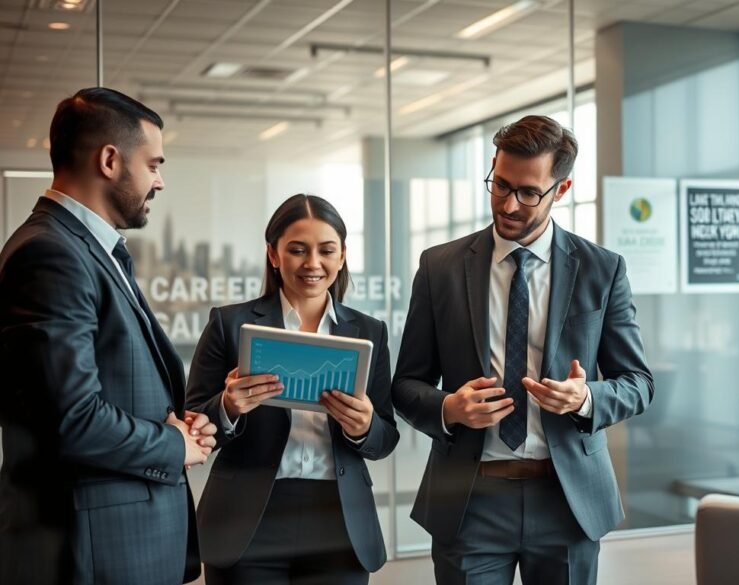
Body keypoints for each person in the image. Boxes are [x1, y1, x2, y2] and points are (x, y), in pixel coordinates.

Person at [392, 115, 654, 584]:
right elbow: (407, 385)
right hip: (469, 501)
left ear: (563, 187)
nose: (509, 204)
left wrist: (586, 398)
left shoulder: (602, 270)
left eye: (528, 193)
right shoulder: (440, 268)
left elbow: (638, 384)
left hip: (567, 498)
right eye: (500, 185)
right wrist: (449, 408)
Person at [0, 87, 215, 585]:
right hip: (93, 549)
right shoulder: (51, 254)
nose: (159, 181)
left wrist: (182, 426)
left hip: (119, 540)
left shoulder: (84, 249)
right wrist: (171, 443)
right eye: (154, 164)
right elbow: (71, 420)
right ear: (111, 160)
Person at [185, 193, 399, 585]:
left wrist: (364, 426)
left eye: (326, 250)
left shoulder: (369, 332)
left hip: (338, 519)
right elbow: (193, 423)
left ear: (343, 255)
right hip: (247, 517)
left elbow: (385, 439)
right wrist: (229, 407)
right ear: (273, 254)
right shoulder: (228, 324)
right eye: (297, 250)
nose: (312, 263)